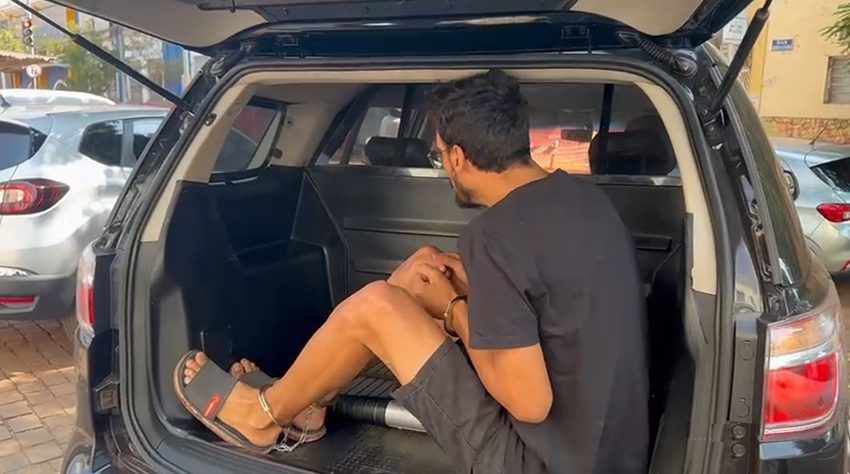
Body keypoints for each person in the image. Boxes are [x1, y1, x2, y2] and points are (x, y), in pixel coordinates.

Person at [174, 69, 649, 473]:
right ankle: (310, 405)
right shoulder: (585, 200)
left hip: (535, 461)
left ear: (458, 157)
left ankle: (264, 415)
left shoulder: (494, 235)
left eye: (440, 155)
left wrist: (454, 308)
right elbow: (551, 298)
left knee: (375, 306)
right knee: (423, 267)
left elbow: (529, 403)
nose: (444, 166)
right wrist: (469, 287)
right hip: (608, 453)